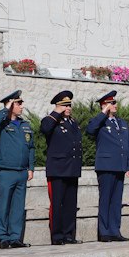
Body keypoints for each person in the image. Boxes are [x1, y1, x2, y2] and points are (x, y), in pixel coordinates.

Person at [86, 90, 129, 242]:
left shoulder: (122, 123)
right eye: (112, 103)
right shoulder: (100, 122)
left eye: (115, 102)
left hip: (120, 166)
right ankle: (104, 232)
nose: (115, 105)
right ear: (105, 105)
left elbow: (127, 146)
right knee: (105, 199)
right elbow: (90, 130)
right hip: (106, 166)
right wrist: (103, 113)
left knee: (116, 201)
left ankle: (115, 230)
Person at [0, 90, 34, 249]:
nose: (22, 106)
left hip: (21, 172)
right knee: (4, 205)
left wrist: (31, 167)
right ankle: (3, 237)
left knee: (18, 207)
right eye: (18, 103)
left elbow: (31, 147)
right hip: (6, 171)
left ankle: (15, 237)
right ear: (10, 105)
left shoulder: (25, 125)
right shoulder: (1, 124)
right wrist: (5, 109)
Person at [40, 90, 83, 245]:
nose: (68, 108)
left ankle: (69, 234)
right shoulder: (50, 120)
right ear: (58, 106)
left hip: (71, 169)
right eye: (65, 105)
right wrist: (56, 112)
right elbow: (45, 129)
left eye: (69, 105)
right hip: (58, 169)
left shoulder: (73, 122)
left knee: (71, 204)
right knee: (57, 204)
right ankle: (57, 236)